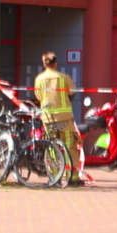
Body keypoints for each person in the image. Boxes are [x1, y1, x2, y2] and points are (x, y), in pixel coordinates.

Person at [33, 51, 81, 186]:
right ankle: (72, 177)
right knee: (70, 146)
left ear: (44, 64)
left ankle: (54, 177)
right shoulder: (63, 77)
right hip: (65, 118)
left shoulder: (39, 79)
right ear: (56, 63)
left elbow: (38, 97)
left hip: (48, 118)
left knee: (52, 147)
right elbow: (72, 92)